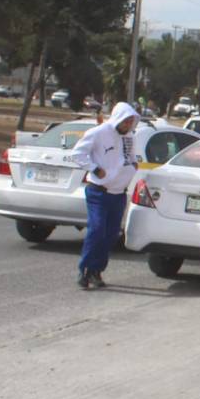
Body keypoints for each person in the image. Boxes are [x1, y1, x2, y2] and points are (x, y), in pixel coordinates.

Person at [70, 102, 140, 289]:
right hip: (99, 192)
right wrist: (94, 168)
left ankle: (96, 271)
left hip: (119, 194)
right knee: (97, 229)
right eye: (126, 121)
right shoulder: (98, 132)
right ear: (118, 118)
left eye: (131, 122)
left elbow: (131, 157)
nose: (128, 125)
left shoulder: (129, 136)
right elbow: (77, 154)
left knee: (111, 235)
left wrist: (133, 166)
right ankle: (84, 269)